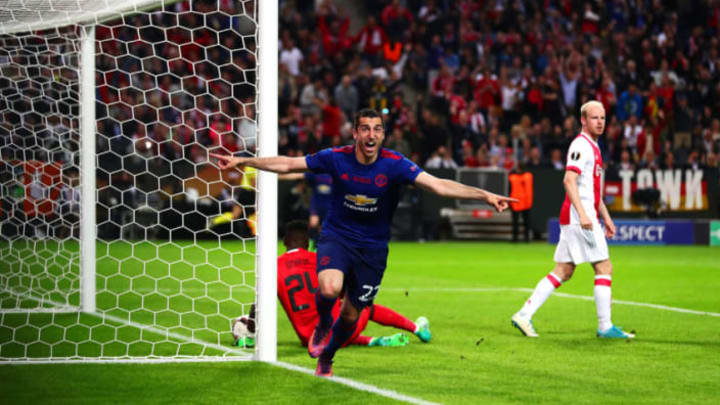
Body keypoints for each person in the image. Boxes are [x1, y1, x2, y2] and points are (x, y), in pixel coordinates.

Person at [212, 108, 516, 377]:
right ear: (355, 132)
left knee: (350, 316)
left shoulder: (395, 164)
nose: (371, 135)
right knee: (329, 288)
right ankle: (321, 325)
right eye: (365, 129)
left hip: (373, 249)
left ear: (383, 134)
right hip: (338, 237)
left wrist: (485, 194)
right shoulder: (336, 157)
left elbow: (438, 185)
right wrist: (243, 161)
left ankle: (328, 355)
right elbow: (289, 164)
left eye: (377, 129)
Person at [511, 101, 635, 340]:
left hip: (581, 215)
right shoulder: (581, 145)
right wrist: (584, 213)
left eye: (602, 118)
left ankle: (524, 314)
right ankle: (605, 326)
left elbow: (592, 190)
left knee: (564, 270)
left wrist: (606, 217)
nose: (600, 122)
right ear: (583, 120)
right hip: (580, 217)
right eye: (594, 118)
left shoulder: (594, 147)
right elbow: (569, 181)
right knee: (603, 267)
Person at [236, 220, 431, 349]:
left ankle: (375, 341)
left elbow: (258, 305)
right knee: (363, 305)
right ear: (308, 242)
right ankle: (417, 329)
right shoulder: (319, 260)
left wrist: (251, 335)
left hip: (308, 339)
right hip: (334, 332)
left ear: (285, 241)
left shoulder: (273, 267)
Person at [508, 163, 533, 242]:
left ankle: (522, 238)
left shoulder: (514, 177)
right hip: (520, 202)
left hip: (519, 202)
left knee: (523, 222)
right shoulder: (527, 176)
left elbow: (509, 189)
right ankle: (520, 238)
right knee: (521, 222)